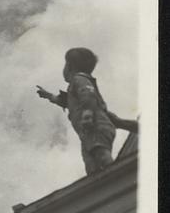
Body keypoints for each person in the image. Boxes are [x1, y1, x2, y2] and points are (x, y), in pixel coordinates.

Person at [36, 47, 137, 176]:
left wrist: (87, 115)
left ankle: (117, 176)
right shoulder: (75, 87)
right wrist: (48, 96)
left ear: (70, 66)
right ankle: (98, 180)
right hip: (88, 131)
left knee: (100, 153)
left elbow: (88, 95)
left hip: (94, 126)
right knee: (90, 160)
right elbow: (68, 103)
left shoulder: (79, 79)